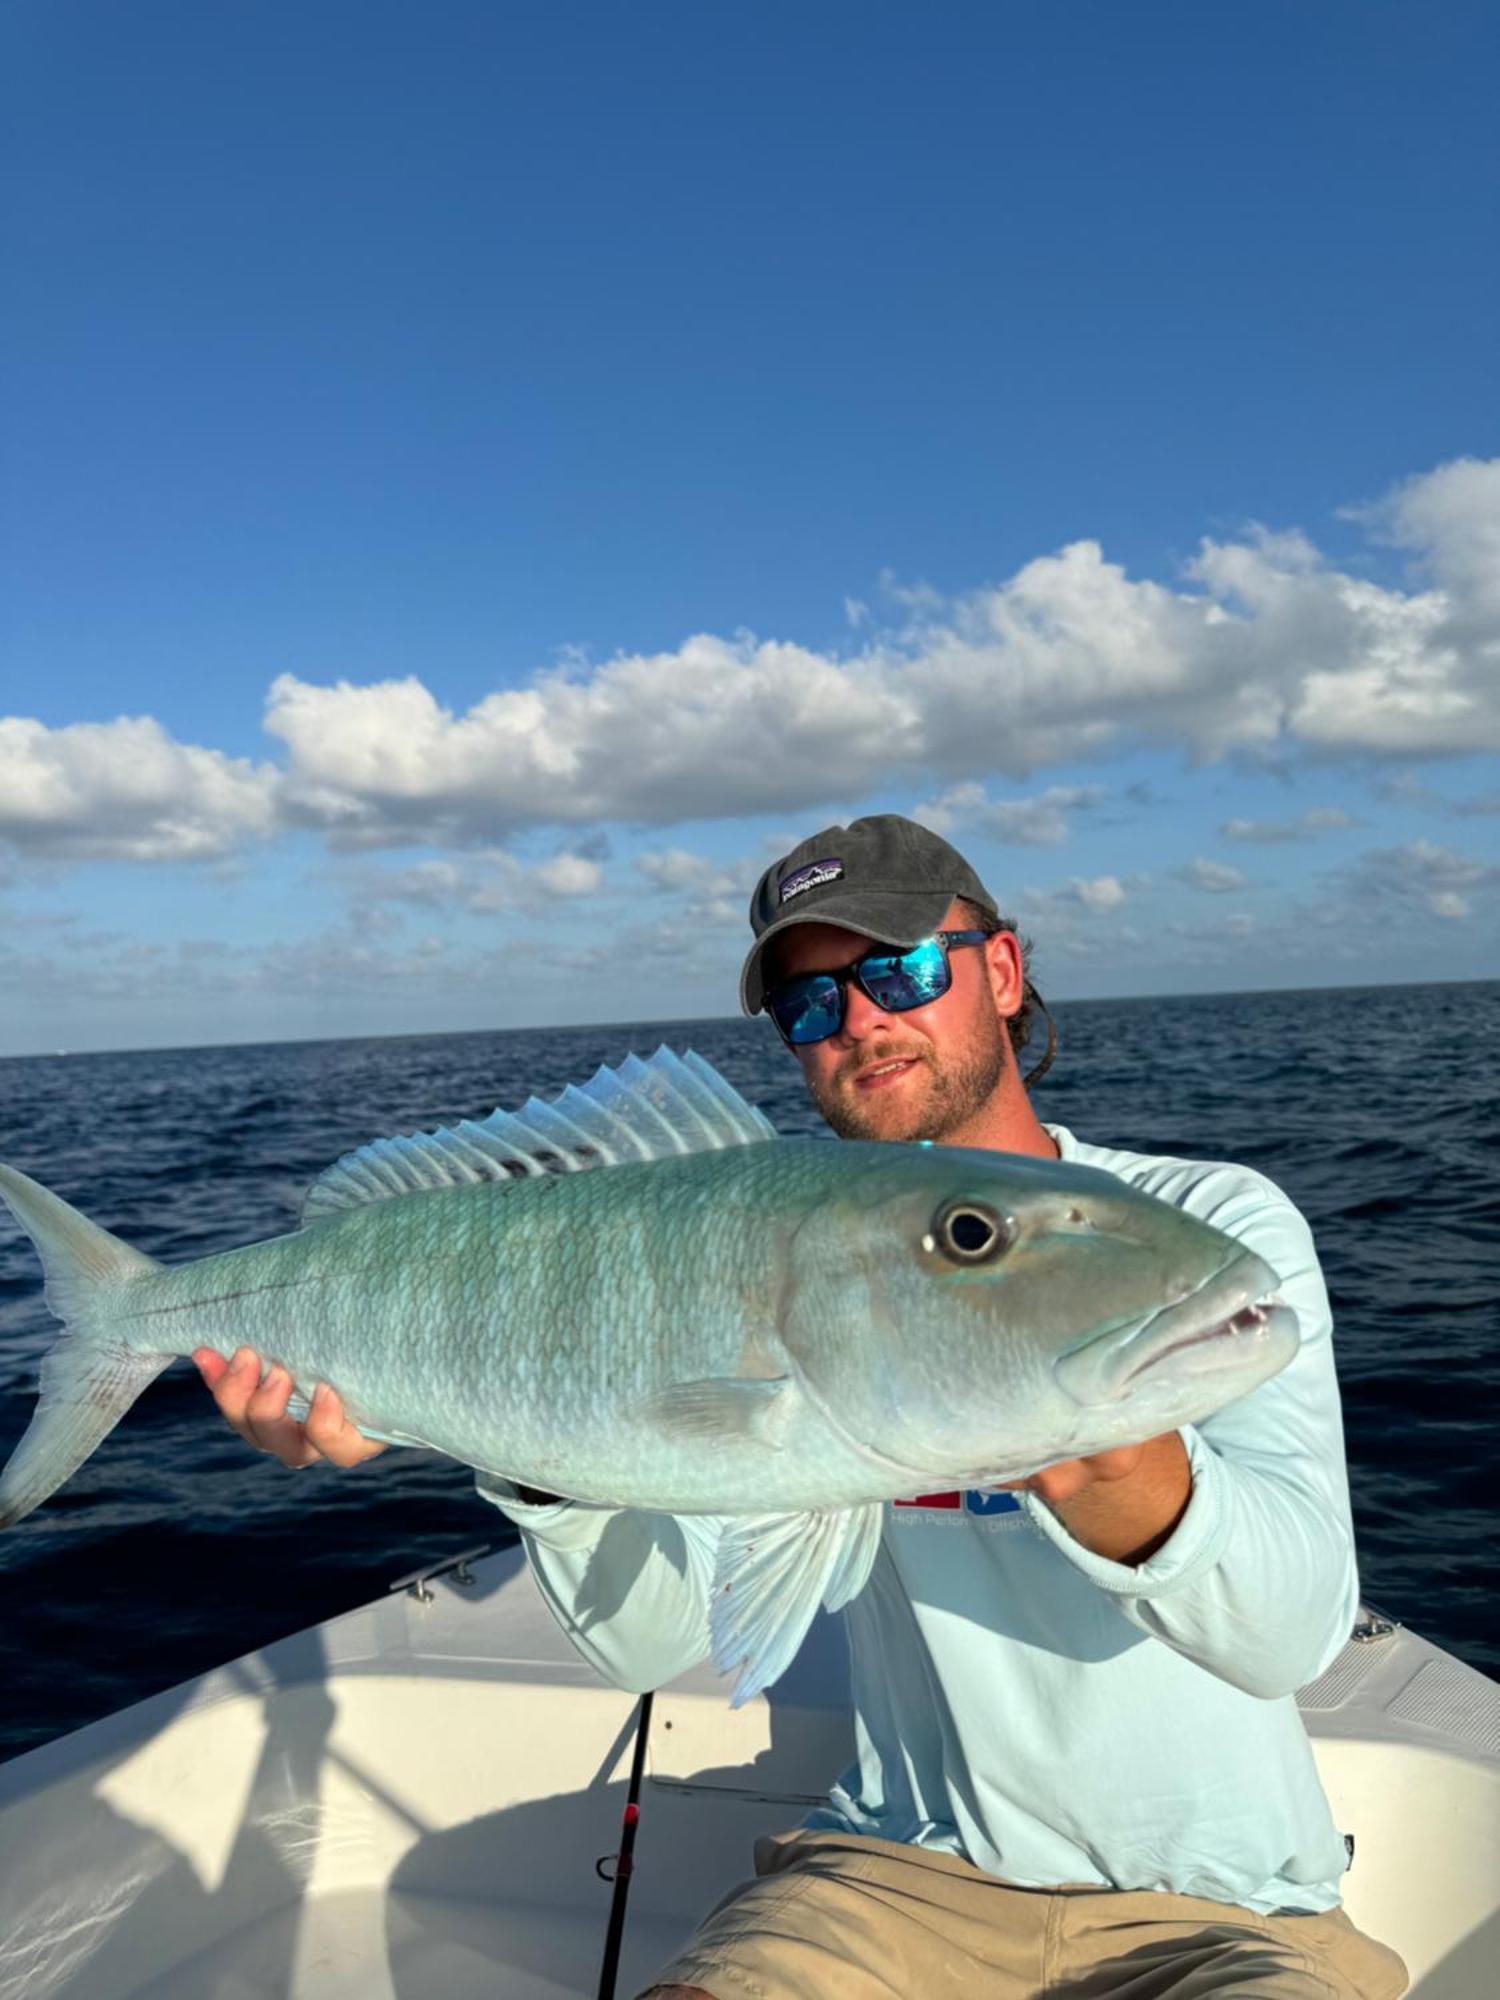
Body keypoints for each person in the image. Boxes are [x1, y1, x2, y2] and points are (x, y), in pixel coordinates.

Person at [196, 814, 1407, 1999]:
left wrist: (1090, 1443)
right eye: (811, 1002)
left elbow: (1291, 1632)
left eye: (900, 968)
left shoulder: (1210, 1227)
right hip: (886, 1876)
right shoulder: (756, 1263)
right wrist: (535, 1446)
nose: (862, 1020)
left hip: (1227, 1910)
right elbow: (657, 1640)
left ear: (1002, 965)